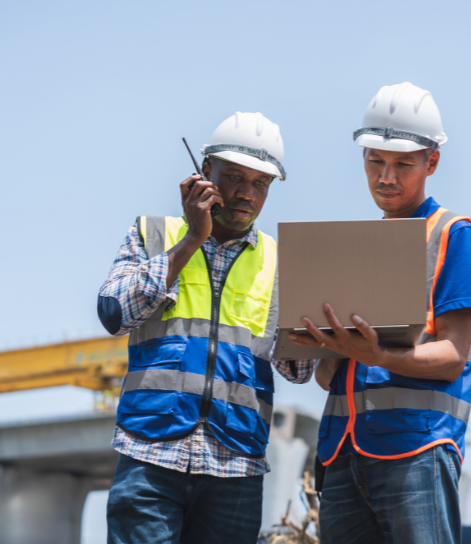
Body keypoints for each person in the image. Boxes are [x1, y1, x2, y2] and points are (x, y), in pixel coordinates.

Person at [98, 112, 315, 544]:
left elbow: (298, 371)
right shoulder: (153, 235)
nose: (246, 194)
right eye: (234, 177)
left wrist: (322, 323)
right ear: (204, 174)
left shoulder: (281, 261)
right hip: (151, 455)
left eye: (261, 184)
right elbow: (113, 313)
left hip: (234, 468)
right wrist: (192, 240)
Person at [290, 83, 471, 544]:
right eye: (375, 160)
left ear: (431, 162)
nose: (386, 176)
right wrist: (333, 346)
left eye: (402, 164)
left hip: (416, 449)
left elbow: (453, 356)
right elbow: (326, 380)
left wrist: (377, 355)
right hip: (342, 454)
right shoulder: (354, 249)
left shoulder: (454, 235)